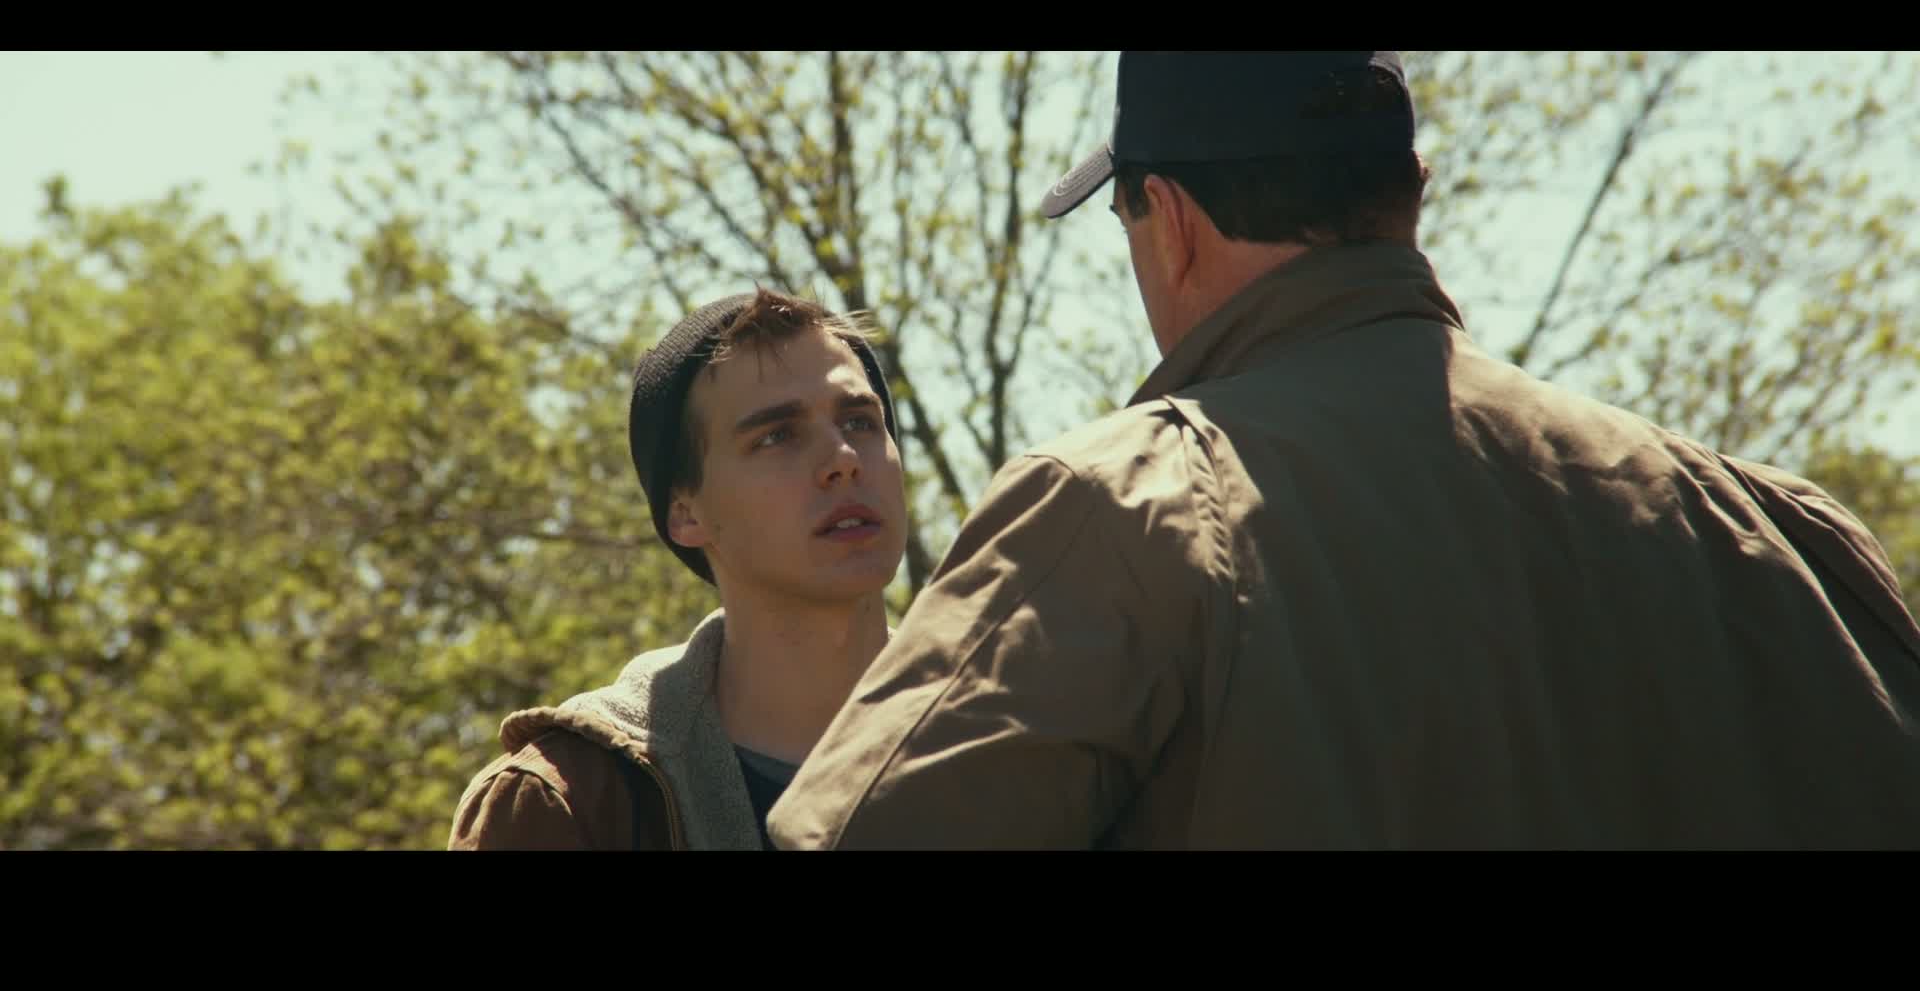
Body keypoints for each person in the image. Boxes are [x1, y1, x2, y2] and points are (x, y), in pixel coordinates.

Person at [767, 51, 1920, 849]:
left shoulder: (1122, 512)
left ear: (1169, 221)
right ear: (1412, 194)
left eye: (1123, 217)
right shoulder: (1780, 534)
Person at [450, 287, 909, 849]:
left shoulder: (1002, 740)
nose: (842, 459)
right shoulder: (571, 801)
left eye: (860, 421)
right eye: (777, 435)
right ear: (686, 513)